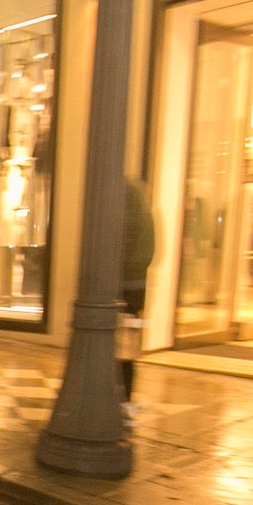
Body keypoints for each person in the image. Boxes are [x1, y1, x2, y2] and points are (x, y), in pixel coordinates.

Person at [119, 177, 156, 418]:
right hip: (137, 289)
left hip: (120, 286)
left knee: (116, 343)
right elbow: (148, 254)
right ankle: (125, 399)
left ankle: (120, 400)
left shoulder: (124, 219)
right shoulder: (146, 218)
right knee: (128, 346)